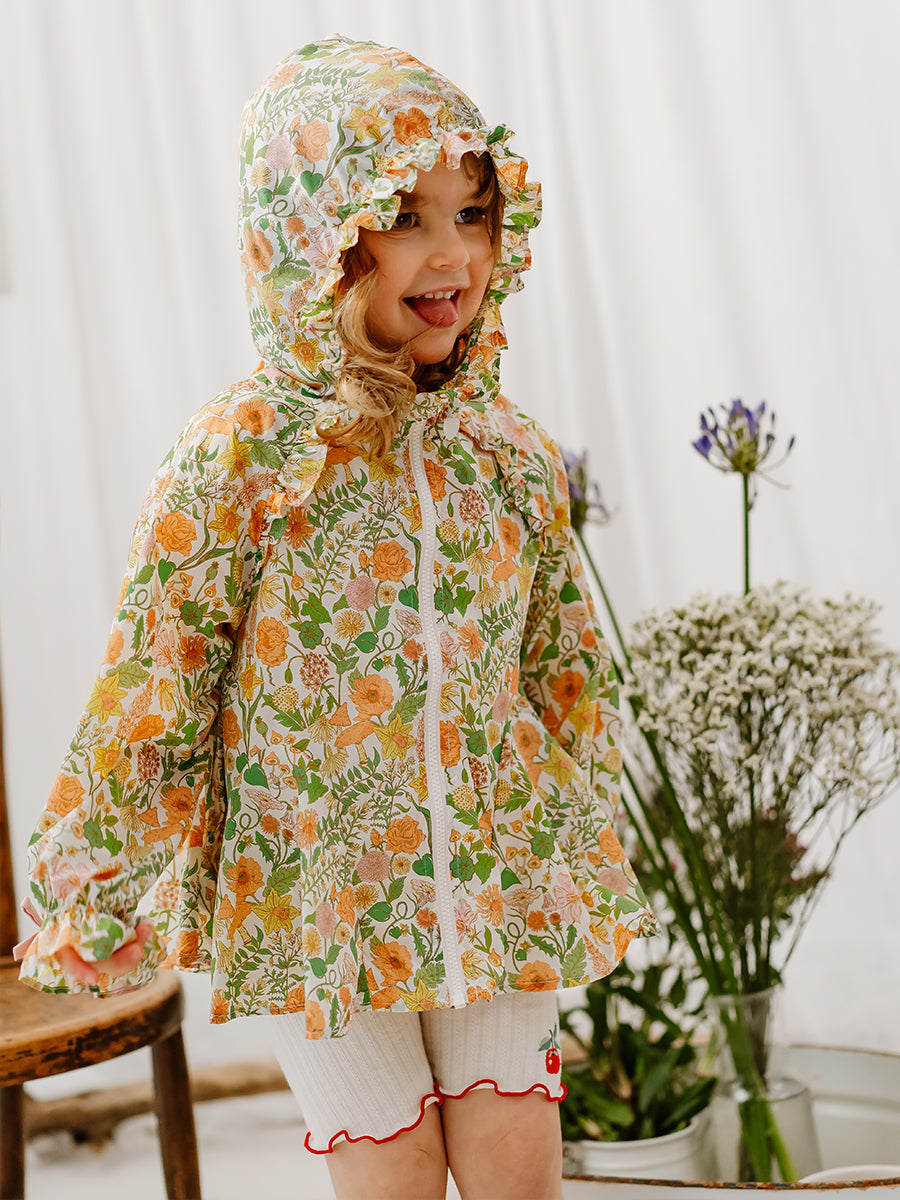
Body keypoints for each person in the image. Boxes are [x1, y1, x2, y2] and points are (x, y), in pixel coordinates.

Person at [15, 36, 657, 1200]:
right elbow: (157, 680)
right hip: (319, 889)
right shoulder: (244, 456)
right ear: (312, 232)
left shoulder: (506, 453)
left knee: (515, 1161)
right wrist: (96, 885)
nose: (454, 252)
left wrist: (587, 828)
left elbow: (564, 663)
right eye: (405, 216)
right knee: (393, 1170)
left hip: (493, 869)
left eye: (474, 214)